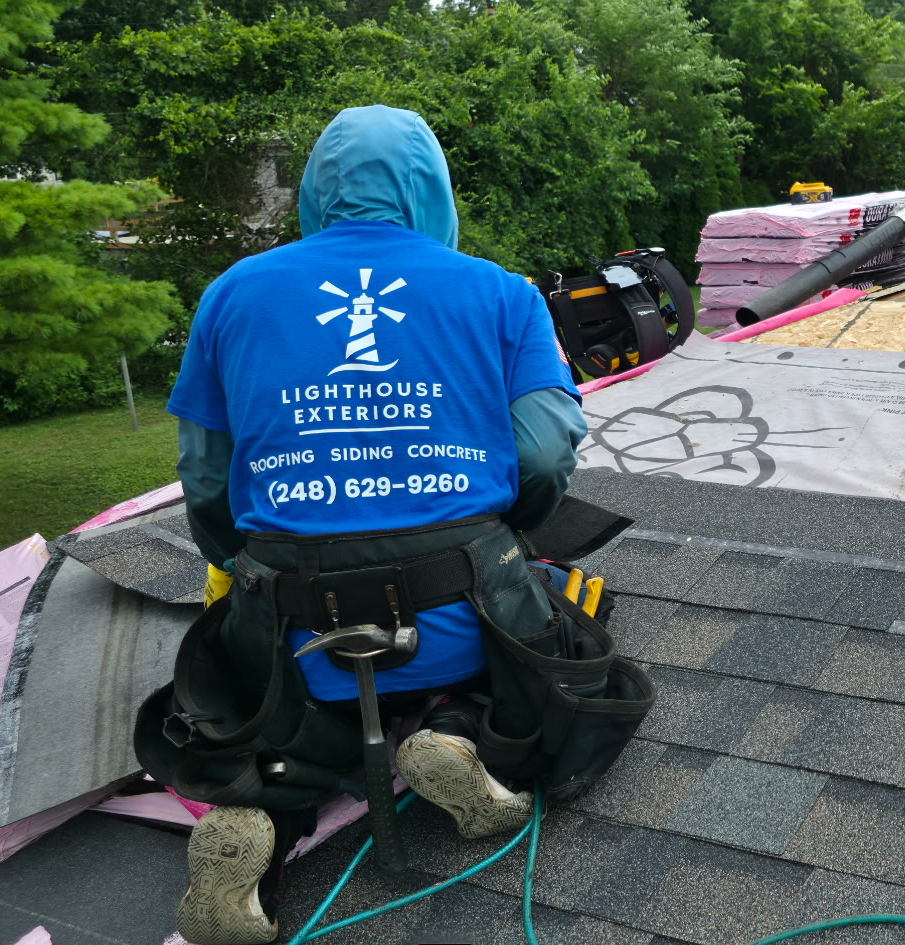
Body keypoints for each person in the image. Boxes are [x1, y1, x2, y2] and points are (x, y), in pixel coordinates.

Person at [140, 105, 599, 945]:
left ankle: (263, 821)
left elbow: (204, 474)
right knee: (563, 662)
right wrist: (510, 539)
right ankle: (457, 733)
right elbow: (542, 451)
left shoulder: (232, 293)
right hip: (459, 604)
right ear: (432, 189)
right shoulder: (503, 293)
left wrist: (235, 562)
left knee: (269, 714)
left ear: (316, 190)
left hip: (291, 626)